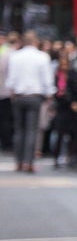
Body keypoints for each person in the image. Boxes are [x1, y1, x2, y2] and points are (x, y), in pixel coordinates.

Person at [5, 31, 53, 172]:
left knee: (19, 130)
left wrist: (12, 92)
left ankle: (19, 162)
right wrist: (49, 93)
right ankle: (29, 162)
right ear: (35, 42)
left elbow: (11, 78)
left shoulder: (15, 56)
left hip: (19, 96)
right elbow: (47, 78)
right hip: (34, 96)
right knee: (32, 130)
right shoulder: (42, 57)